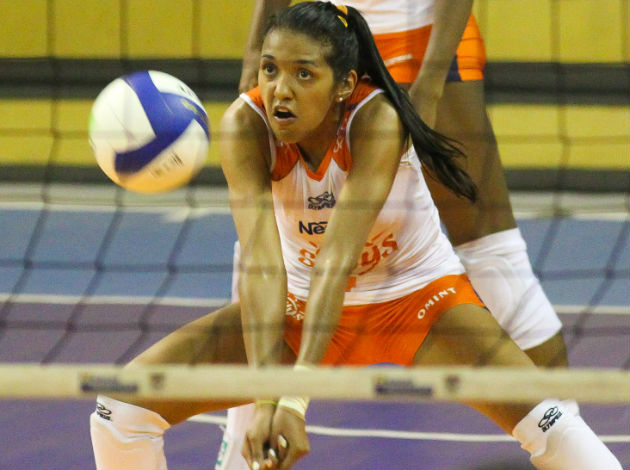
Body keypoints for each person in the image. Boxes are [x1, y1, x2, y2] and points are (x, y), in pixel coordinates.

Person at [89, 3, 622, 470]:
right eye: (270, 69)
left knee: (551, 425)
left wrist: (293, 402)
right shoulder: (245, 127)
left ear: (344, 84)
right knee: (120, 411)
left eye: (303, 74)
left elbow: (336, 260)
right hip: (300, 311)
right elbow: (262, 265)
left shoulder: (377, 120)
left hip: (419, 303)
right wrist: (266, 398)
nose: (279, 90)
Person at [217, 1, 573, 468]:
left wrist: (430, 82)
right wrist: (255, 54)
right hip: (316, 50)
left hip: (423, 41)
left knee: (490, 246)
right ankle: (244, 447)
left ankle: (567, 428)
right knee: (264, 251)